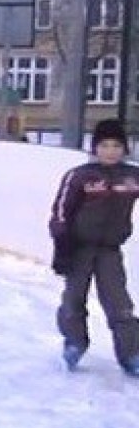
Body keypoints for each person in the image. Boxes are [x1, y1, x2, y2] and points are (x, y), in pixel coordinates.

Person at [49, 118, 139, 374]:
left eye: (116, 146)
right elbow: (60, 212)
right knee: (73, 300)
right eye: (104, 145)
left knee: (119, 303)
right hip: (79, 249)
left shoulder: (132, 177)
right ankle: (75, 342)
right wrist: (62, 245)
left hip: (110, 251)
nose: (110, 151)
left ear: (124, 148)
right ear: (95, 148)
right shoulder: (79, 176)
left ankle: (131, 353)